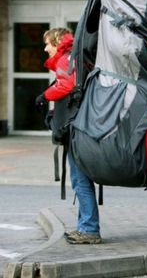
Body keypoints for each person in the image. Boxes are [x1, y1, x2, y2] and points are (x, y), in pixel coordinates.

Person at [35, 28, 101, 244]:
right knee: (81, 179)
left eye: (47, 43)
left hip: (74, 131)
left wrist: (45, 95)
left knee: (80, 180)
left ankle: (90, 229)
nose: (45, 48)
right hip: (82, 127)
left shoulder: (65, 59)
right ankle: (85, 227)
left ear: (57, 42)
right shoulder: (75, 58)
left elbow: (67, 85)